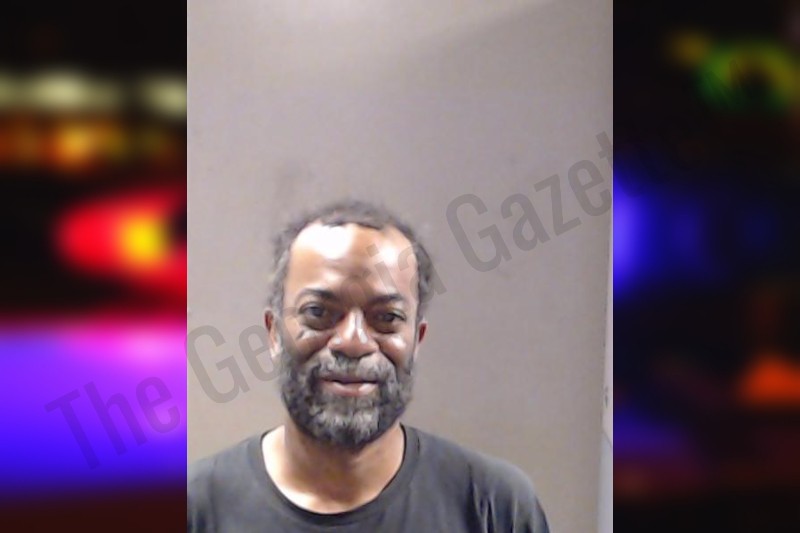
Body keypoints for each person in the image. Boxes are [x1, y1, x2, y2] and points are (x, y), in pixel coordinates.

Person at [188, 199, 550, 532]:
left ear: (417, 340)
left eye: (387, 317)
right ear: (274, 334)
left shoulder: (494, 508)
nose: (353, 342)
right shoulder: (194, 507)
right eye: (319, 312)